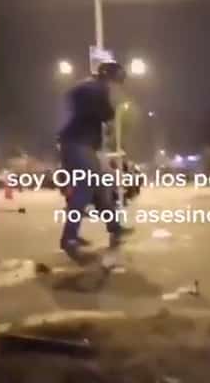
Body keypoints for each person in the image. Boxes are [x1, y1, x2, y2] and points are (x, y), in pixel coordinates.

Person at [56, 61, 134, 265]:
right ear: (111, 77)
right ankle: (69, 239)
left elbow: (78, 100)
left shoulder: (91, 88)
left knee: (101, 189)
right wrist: (111, 108)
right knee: (86, 187)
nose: (118, 86)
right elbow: (106, 114)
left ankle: (115, 228)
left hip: (79, 145)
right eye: (118, 81)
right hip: (77, 145)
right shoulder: (96, 89)